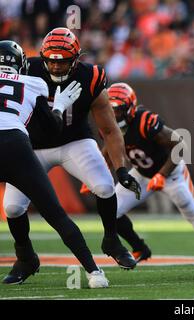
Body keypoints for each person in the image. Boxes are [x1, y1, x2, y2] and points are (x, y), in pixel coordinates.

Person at [2, 27, 139, 270]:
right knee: (12, 207)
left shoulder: (91, 76)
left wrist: (121, 170)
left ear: (76, 59)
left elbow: (108, 129)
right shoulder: (28, 69)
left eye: (63, 62)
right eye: (51, 62)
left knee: (106, 187)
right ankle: (25, 258)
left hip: (74, 141)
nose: (56, 67)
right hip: (30, 147)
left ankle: (112, 240)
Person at [81, 82, 194, 264]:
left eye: (119, 109)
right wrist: (96, 174)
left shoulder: (146, 121)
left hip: (172, 174)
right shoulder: (107, 123)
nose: (114, 114)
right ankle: (139, 248)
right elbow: (109, 148)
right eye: (111, 110)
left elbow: (179, 146)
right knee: (112, 211)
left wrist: (161, 175)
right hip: (142, 174)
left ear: (130, 107)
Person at [0, 40, 108, 288]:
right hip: (16, 148)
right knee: (54, 214)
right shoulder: (33, 83)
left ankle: (26, 257)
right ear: (21, 65)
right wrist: (58, 107)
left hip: (17, 146)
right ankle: (93, 271)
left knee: (13, 208)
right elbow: (51, 130)